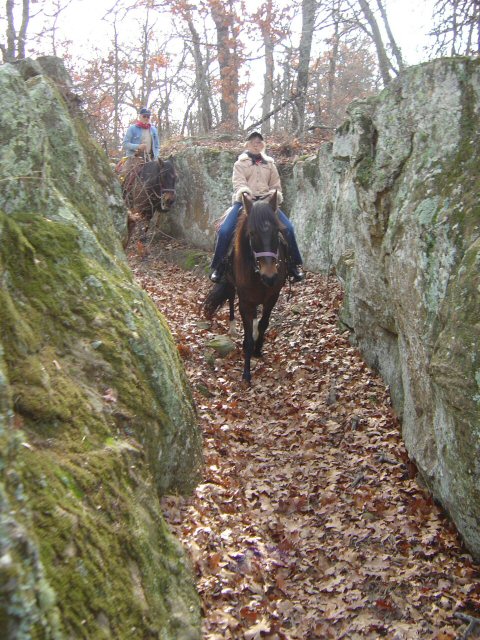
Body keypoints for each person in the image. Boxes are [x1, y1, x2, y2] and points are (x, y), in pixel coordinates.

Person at [210, 131, 304, 283]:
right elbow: (239, 183)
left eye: (259, 142)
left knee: (288, 228)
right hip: (245, 203)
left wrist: (273, 195)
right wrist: (246, 194)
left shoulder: (270, 164)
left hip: (267, 204)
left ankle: (294, 265)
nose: (256, 144)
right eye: (253, 142)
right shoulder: (240, 164)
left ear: (263, 145)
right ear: (247, 144)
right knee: (225, 229)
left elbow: (276, 185)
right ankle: (219, 266)